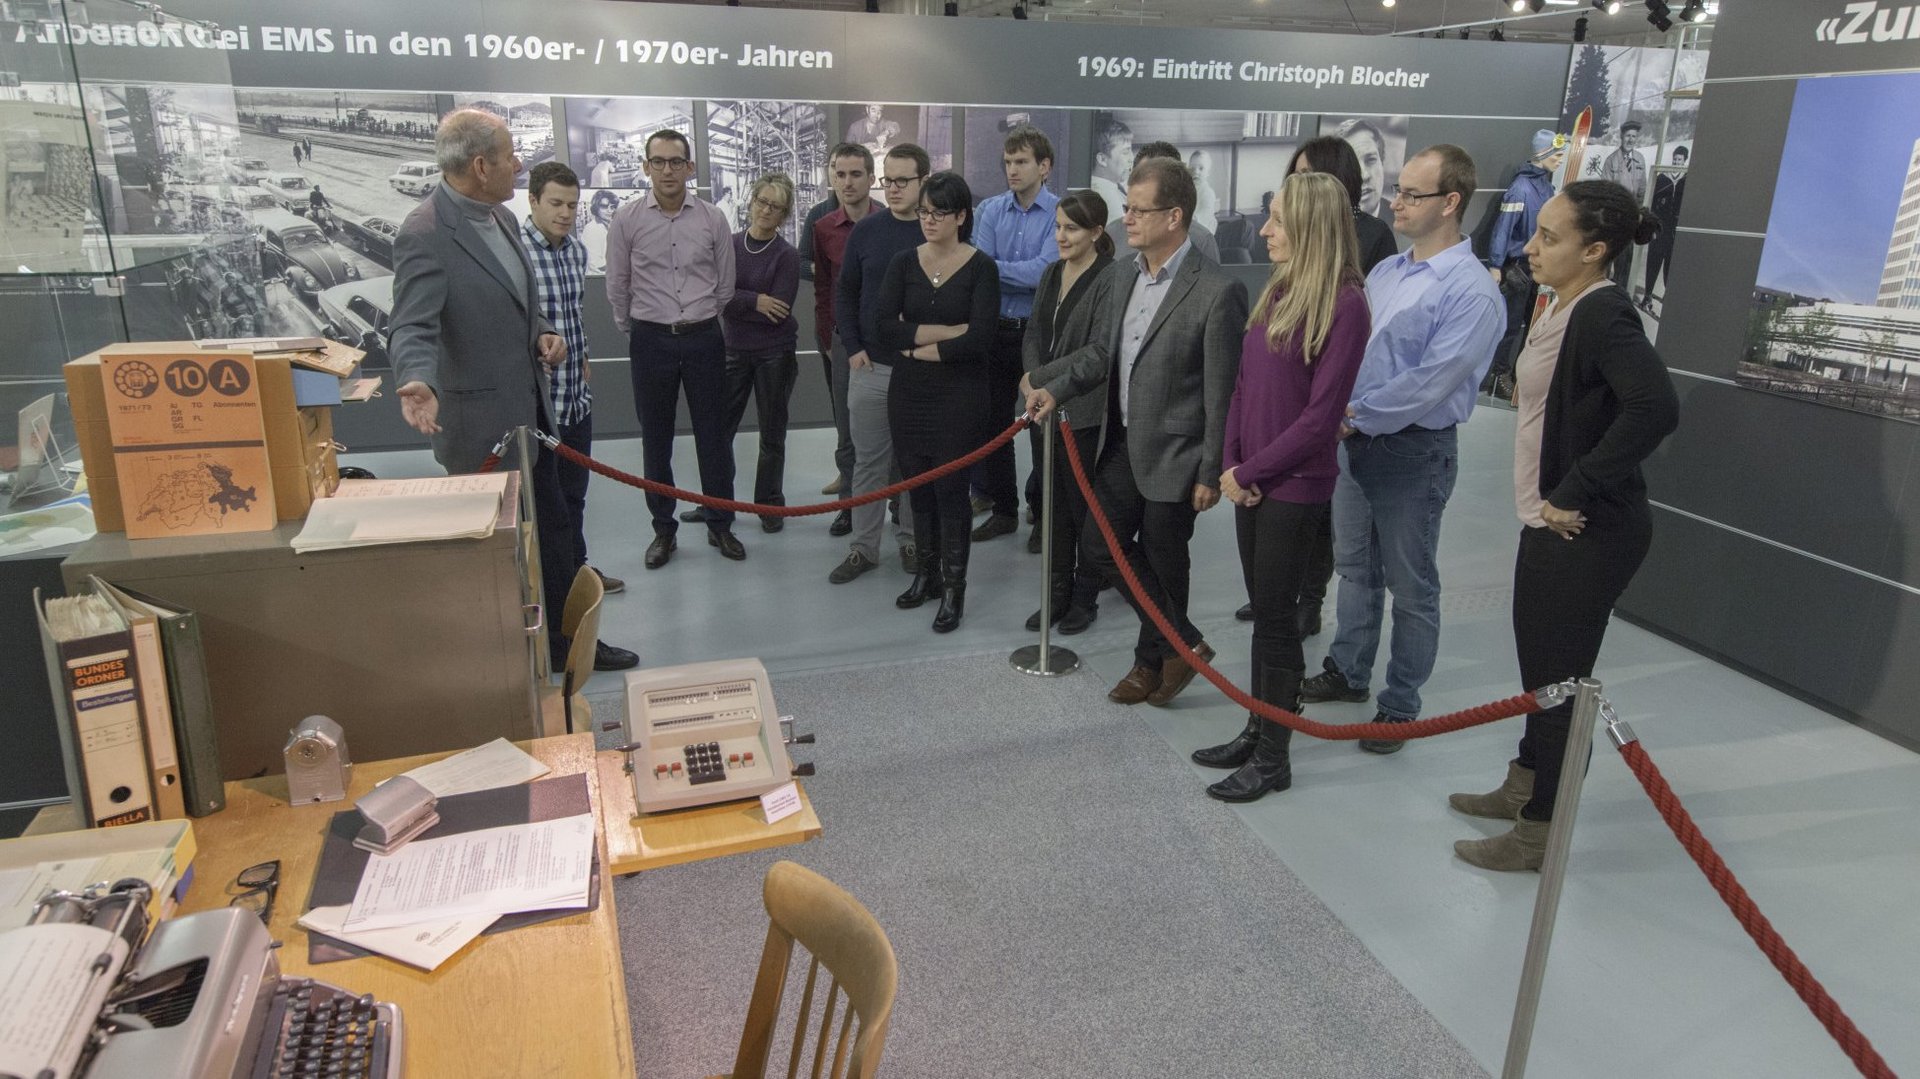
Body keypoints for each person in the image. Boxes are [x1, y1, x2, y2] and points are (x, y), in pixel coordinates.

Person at [1451, 180, 1679, 871]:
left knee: (1561, 691)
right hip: (1547, 524)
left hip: (1585, 532)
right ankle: (1525, 785)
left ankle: (1538, 834)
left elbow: (1656, 408)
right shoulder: (1563, 305)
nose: (1531, 246)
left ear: (1596, 249)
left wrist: (1574, 487)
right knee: (1542, 681)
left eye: (1550, 237)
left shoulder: (1604, 314)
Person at [389, 109, 631, 672]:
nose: (517, 163)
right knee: (498, 559)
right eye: (508, 155)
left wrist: (543, 331)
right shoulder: (425, 232)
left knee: (556, 536)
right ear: (480, 165)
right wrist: (415, 379)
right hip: (482, 437)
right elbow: (411, 323)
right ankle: (505, 664)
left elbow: (519, 301)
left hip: (533, 419)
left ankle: (569, 647)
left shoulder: (497, 219)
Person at [1299, 145, 1505, 753]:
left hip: (1413, 451)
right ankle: (1348, 671)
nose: (1398, 203)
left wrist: (1351, 417)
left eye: (1412, 194)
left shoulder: (1471, 292)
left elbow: (1430, 383)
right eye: (1398, 191)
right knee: (1356, 568)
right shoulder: (1387, 272)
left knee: (1412, 586)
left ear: (1451, 203)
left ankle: (1401, 704)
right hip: (1355, 440)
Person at [1025, 157, 1248, 707]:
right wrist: (1056, 387)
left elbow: (1223, 391)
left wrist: (1210, 470)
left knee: (1166, 564)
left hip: (1180, 452)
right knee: (1102, 548)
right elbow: (1103, 353)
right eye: (1126, 207)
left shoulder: (1217, 290)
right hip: (1120, 441)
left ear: (1175, 216)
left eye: (1137, 210)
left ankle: (1150, 666)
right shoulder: (1122, 273)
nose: (1127, 218)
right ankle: (1185, 643)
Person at [1196, 172, 1371, 803]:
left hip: (1293, 487)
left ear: (1311, 226)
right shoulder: (1281, 288)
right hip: (1255, 482)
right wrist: (1234, 460)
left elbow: (1322, 419)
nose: (1264, 230)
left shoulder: (1346, 302)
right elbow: (1245, 388)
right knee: (1266, 618)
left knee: (1277, 625)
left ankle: (1274, 757)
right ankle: (1257, 727)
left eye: (1277, 220)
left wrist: (1248, 472)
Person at [605, 128, 742, 569]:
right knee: (656, 440)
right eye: (658, 161)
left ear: (690, 167)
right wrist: (638, 328)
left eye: (676, 162)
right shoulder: (626, 220)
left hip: (703, 337)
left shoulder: (712, 218)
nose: (668, 170)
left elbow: (724, 285)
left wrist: (701, 320)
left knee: (713, 436)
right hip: (650, 340)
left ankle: (720, 522)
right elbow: (618, 284)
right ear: (645, 166)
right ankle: (663, 530)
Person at [521, 160, 636, 671]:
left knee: (575, 503)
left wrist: (583, 354)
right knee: (552, 521)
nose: (566, 214)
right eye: (556, 204)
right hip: (539, 409)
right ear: (533, 202)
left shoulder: (575, 250)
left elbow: (574, 316)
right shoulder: (518, 256)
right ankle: (569, 641)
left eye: (572, 205)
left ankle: (579, 575)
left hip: (575, 402)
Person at [873, 172, 999, 632]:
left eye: (938, 212)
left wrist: (918, 343)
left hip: (959, 396)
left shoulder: (982, 267)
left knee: (952, 494)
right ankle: (924, 576)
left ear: (961, 216)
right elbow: (885, 327)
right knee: (917, 489)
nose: (928, 220)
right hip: (909, 393)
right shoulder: (904, 262)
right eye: (924, 211)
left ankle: (953, 589)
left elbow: (982, 338)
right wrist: (949, 333)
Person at [826, 144, 931, 585]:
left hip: (919, 370)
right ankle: (864, 548)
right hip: (869, 368)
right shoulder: (867, 231)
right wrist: (852, 347)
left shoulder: (936, 232)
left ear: (924, 181)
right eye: (888, 180)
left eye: (903, 180)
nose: (894, 188)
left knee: (912, 462)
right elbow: (846, 292)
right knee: (868, 462)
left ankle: (908, 538)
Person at [1018, 190, 1117, 635]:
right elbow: (1033, 332)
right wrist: (1031, 375)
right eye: (1057, 226)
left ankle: (1084, 598)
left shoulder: (1111, 279)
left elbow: (1098, 351)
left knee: (1083, 511)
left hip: (1084, 411)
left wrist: (1039, 377)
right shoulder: (1052, 273)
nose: (1060, 235)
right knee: (1051, 507)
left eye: (1071, 228)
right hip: (1043, 410)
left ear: (1097, 232)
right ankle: (1055, 594)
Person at [969, 125, 1060, 546]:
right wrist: (1000, 273)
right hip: (993, 333)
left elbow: (1045, 274)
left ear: (1044, 166)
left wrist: (995, 270)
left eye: (1021, 162)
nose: (1012, 170)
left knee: (1042, 429)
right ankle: (1003, 510)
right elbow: (977, 270)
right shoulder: (990, 210)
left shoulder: (1061, 213)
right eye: (1007, 162)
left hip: (1037, 338)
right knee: (992, 426)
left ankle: (1042, 515)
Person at [719, 172, 802, 533]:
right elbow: (718, 295)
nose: (767, 210)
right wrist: (755, 299)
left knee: (772, 432)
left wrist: (739, 300)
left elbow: (779, 308)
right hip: (734, 349)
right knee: (720, 431)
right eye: (762, 202)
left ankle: (769, 504)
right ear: (751, 202)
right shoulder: (730, 246)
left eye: (776, 207)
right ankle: (717, 502)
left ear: (784, 215)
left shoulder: (787, 255)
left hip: (774, 352)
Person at [807, 144, 876, 513]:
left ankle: (896, 506)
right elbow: (823, 287)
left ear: (870, 177)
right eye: (840, 175)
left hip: (884, 341)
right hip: (841, 340)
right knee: (846, 428)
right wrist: (826, 337)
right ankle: (848, 506)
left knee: (887, 427)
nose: (846, 182)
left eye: (855, 174)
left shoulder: (890, 221)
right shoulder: (823, 228)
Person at [1481, 129, 1569, 401]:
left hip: (1540, 268)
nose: (1560, 158)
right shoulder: (1521, 188)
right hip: (1518, 266)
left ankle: (1521, 376)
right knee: (1510, 325)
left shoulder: (1547, 187)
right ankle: (1498, 374)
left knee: (1535, 324)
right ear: (1543, 153)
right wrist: (1496, 265)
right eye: (1556, 153)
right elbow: (1503, 228)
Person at [1105, 142, 1222, 264]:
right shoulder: (1110, 236)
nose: (1146, 187)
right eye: (1141, 177)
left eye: (1155, 180)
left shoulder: (1201, 241)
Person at [1642, 145, 1687, 313]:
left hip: (1675, 230)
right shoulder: (1662, 178)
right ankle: (1647, 295)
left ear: (1684, 161)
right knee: (1653, 261)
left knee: (1671, 264)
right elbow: (1652, 203)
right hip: (1661, 228)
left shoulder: (1687, 180)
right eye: (1675, 159)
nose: (1676, 162)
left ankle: (1669, 296)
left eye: (1679, 160)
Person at [1335, 118, 1392, 220]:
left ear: (1382, 162)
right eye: (1352, 165)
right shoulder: (1323, 222)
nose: (1364, 176)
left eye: (1370, 160)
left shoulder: (1401, 222)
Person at [1088, 117, 1133, 225]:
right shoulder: (1104, 197)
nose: (1131, 158)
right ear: (1102, 159)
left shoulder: (1112, 186)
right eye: (1125, 152)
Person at [581, 190, 618, 274]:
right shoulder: (591, 229)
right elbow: (598, 265)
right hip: (598, 279)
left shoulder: (609, 226)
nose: (609, 211)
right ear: (596, 208)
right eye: (604, 206)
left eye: (612, 207)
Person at [1189, 149, 1221, 228]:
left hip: (1205, 232)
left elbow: (1203, 215)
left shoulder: (1208, 193)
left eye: (1201, 168)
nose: (1196, 172)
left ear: (1208, 173)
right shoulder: (1186, 189)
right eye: (1192, 168)